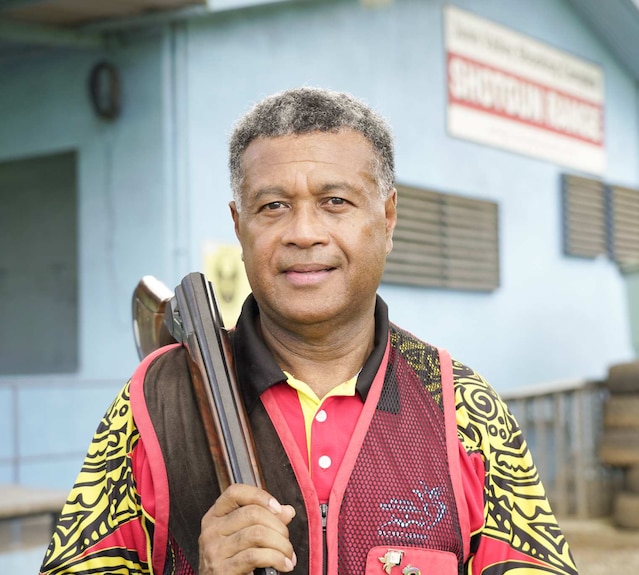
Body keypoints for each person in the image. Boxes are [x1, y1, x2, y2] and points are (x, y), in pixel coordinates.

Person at [39, 87, 579, 575]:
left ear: (387, 218)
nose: (303, 232)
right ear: (238, 225)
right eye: (273, 206)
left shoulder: (461, 407)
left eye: (334, 202)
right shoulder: (156, 398)